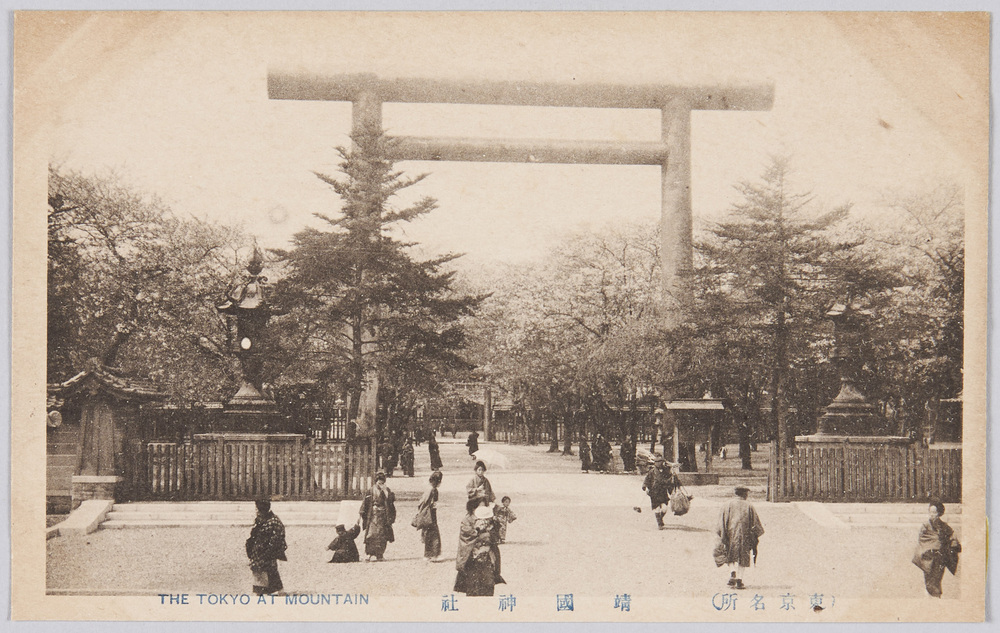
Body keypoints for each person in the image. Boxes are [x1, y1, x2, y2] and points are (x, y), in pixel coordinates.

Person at [714, 486, 765, 590]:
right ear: (744, 494)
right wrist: (754, 536)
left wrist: (723, 533)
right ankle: (740, 580)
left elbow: (721, 521)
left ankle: (732, 572)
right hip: (744, 535)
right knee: (743, 556)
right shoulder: (749, 506)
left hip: (730, 533)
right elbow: (755, 523)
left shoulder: (727, 505)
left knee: (729, 553)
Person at [454, 500, 503, 596]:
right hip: (472, 558)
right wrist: (480, 535)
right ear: (473, 508)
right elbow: (466, 536)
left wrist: (491, 533)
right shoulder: (467, 520)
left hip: (487, 557)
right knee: (472, 585)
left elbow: (495, 536)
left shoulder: (491, 519)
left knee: (488, 584)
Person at [913, 501, 960, 597]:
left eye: (935, 512)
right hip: (928, 558)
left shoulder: (945, 527)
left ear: (940, 513)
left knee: (938, 578)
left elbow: (952, 538)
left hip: (940, 558)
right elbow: (922, 540)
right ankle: (933, 596)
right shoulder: (925, 526)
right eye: (930, 512)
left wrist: (953, 544)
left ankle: (936, 596)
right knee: (929, 580)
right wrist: (935, 543)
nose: (932, 515)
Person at [245, 500, 287, 595]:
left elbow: (277, 538)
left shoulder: (274, 521)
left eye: (257, 508)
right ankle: (269, 590)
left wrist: (269, 551)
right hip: (258, 551)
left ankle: (264, 591)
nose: (256, 510)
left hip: (267, 551)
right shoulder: (260, 519)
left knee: (267, 569)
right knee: (264, 570)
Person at [360, 471, 397, 561]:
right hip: (373, 515)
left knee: (382, 535)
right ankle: (369, 554)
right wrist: (362, 513)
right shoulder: (371, 490)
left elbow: (391, 501)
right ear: (375, 481)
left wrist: (385, 492)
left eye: (382, 483)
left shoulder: (387, 490)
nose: (380, 484)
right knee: (371, 535)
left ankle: (380, 555)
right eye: (379, 482)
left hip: (383, 515)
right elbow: (365, 503)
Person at [642, 456, 681, 529]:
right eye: (658, 462)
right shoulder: (652, 472)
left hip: (663, 492)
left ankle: (660, 518)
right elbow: (647, 480)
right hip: (654, 492)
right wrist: (645, 487)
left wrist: (674, 480)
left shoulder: (666, 471)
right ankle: (659, 524)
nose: (659, 463)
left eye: (661, 462)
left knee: (664, 509)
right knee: (657, 508)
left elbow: (671, 480)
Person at [418, 471, 444, 562]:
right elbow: (425, 502)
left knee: (429, 533)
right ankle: (434, 554)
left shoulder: (429, 489)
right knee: (433, 533)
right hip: (430, 514)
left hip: (430, 513)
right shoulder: (432, 490)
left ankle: (428, 554)